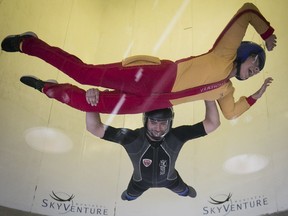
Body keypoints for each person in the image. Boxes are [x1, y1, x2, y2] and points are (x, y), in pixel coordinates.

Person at [1, 3, 276, 119]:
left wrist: (258, 94)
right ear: (245, 52)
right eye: (255, 62)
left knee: (89, 103)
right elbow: (247, 11)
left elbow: (230, 114)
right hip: (155, 77)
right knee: (84, 74)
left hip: (155, 102)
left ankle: (48, 88)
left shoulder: (226, 90)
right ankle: (29, 43)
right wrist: (266, 33)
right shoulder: (224, 53)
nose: (254, 70)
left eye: (257, 70)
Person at [85, 88, 220, 200]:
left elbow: (213, 124)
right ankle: (129, 195)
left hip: (171, 181)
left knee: (185, 191)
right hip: (139, 184)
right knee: (128, 197)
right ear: (146, 121)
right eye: (154, 122)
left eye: (163, 123)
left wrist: (208, 95)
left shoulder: (177, 135)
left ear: (170, 122)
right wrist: (92, 102)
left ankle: (184, 192)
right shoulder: (131, 138)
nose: (158, 128)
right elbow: (94, 128)